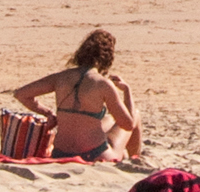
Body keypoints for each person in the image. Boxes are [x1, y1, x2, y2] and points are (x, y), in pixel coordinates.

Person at [11, 28, 142, 163]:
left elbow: (21, 94)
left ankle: (127, 156)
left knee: (109, 119)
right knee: (135, 115)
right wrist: (127, 91)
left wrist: (48, 113)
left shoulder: (61, 77)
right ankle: (135, 159)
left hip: (60, 153)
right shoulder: (103, 84)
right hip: (94, 154)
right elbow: (128, 124)